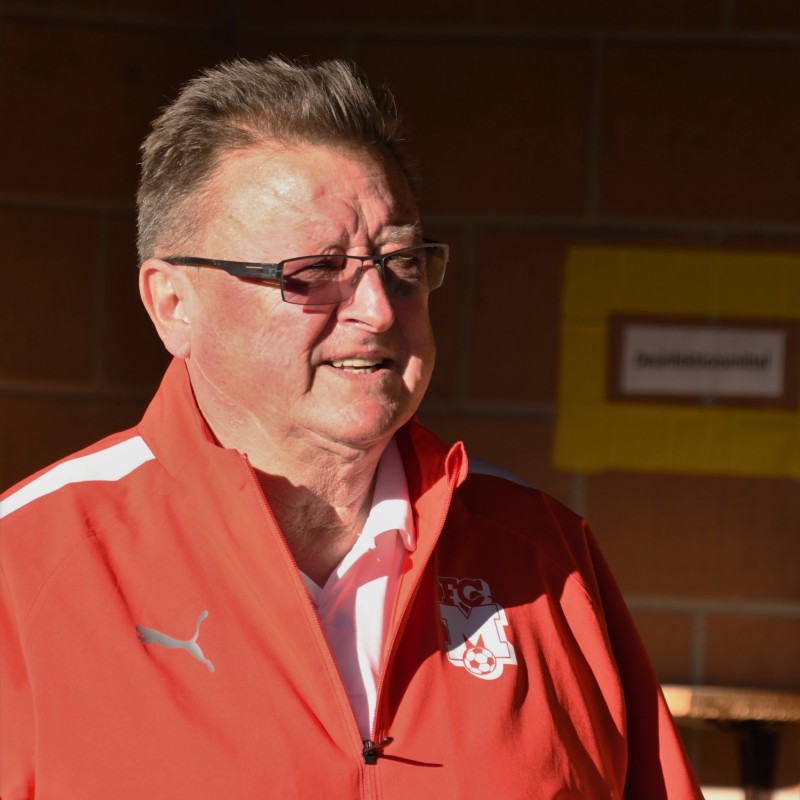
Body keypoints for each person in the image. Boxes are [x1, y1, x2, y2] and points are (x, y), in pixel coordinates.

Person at [0, 56, 702, 799]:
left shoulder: (544, 554)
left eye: (402, 262)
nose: (377, 308)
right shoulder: (29, 564)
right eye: (314, 270)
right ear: (173, 303)